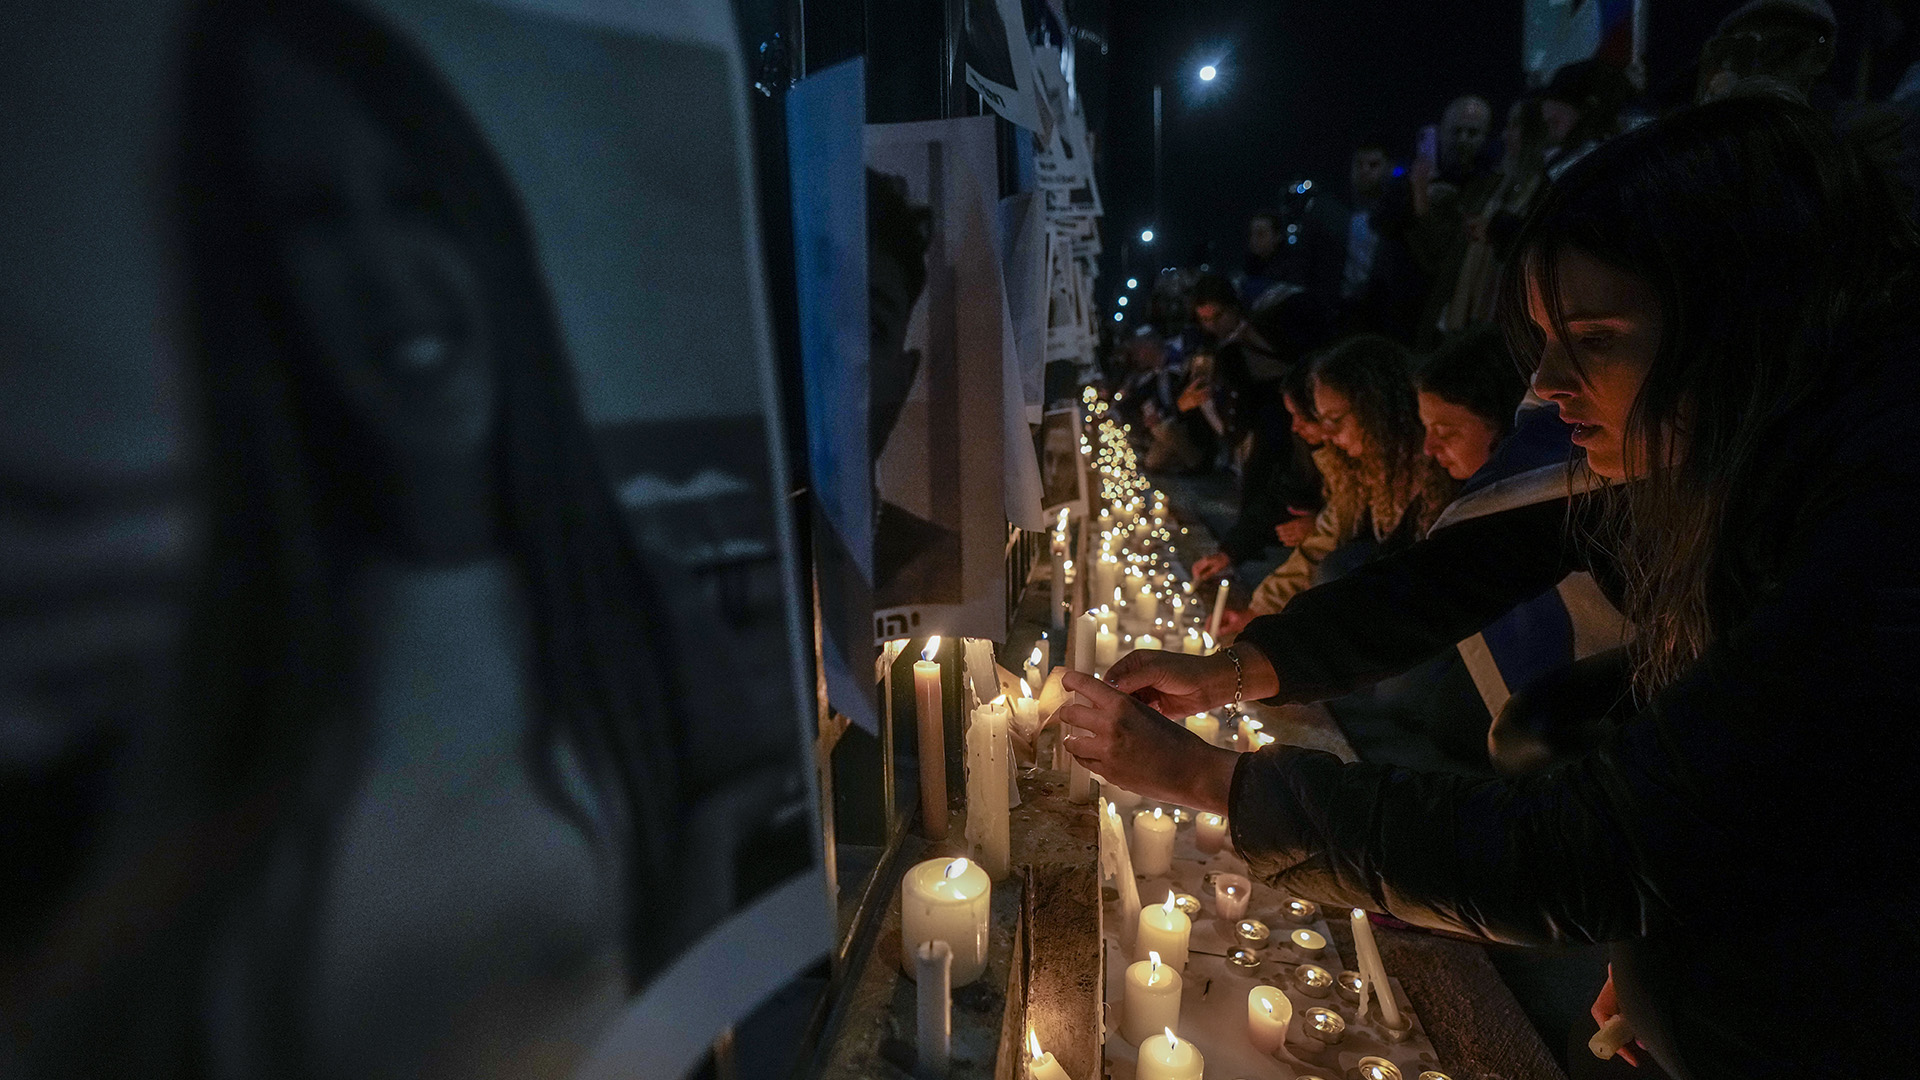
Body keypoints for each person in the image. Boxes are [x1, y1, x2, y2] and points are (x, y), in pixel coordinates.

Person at [1058, 97, 1920, 1077]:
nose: (1544, 385)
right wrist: (1229, 672)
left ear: (1744, 325)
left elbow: (1605, 840)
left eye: (1592, 338)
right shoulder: (1711, 443)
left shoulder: (1880, 532)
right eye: (1542, 341)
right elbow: (1442, 584)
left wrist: (1212, 781)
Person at [1228, 336, 1456, 626]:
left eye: (1334, 419)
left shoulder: (1434, 471)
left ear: (1378, 409)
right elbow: (1324, 536)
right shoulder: (1364, 469)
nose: (1325, 432)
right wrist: (1259, 607)